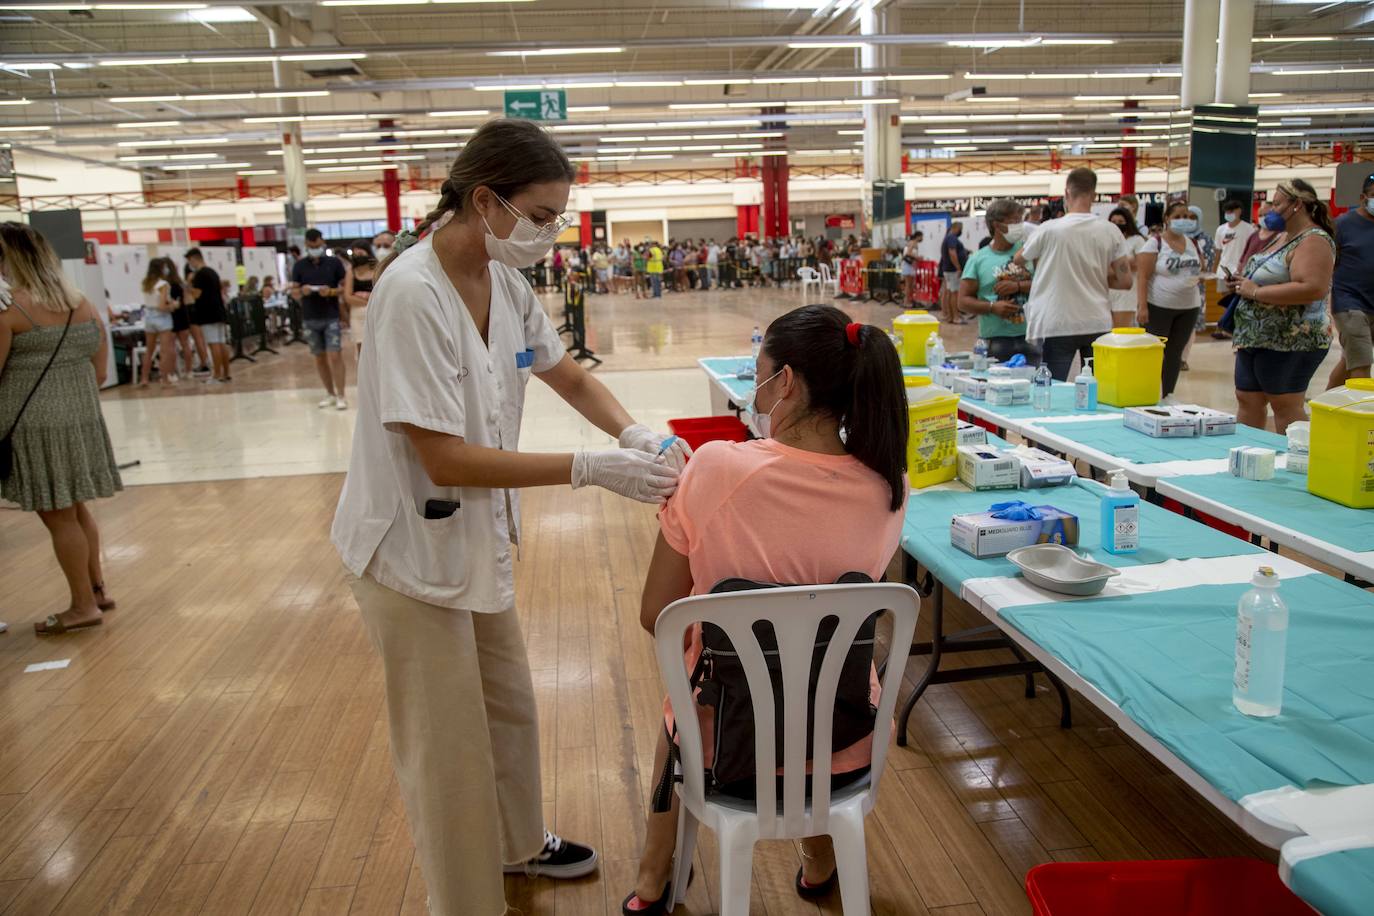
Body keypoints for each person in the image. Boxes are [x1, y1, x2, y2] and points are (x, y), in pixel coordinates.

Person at [331, 118, 690, 916]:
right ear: (485, 200)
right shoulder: (410, 295)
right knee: (448, 749)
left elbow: (566, 376)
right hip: (409, 553)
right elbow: (446, 459)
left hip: (472, 537)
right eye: (541, 216)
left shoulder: (507, 282)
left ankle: (517, 844)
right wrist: (589, 469)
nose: (550, 234)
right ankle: (467, 898)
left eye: (559, 218)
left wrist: (635, 432)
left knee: (509, 705)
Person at [623, 305, 908, 913]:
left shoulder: (719, 468)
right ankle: (821, 859)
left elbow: (656, 612)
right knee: (804, 672)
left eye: (759, 374)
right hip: (845, 737)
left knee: (690, 693)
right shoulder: (890, 485)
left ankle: (653, 881)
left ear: (785, 383)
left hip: (729, 746)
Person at [0, 223, 122, 635]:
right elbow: (101, 371)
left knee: (59, 517)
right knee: (77, 508)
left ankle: (81, 606)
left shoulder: (10, 311)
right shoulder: (81, 304)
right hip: (81, 421)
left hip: (35, 426)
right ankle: (97, 589)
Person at [1226, 179, 1336, 434]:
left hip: (1292, 339)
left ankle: (1297, 466)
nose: (1270, 211)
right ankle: (1246, 459)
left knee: (1285, 405)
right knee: (1247, 399)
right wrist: (1245, 284)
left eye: (1276, 204)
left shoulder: (1313, 240)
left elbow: (1312, 288)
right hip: (1257, 337)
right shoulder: (1283, 237)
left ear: (1297, 204)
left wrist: (1256, 291)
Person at [1016, 168, 1134, 380]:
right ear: (1094, 195)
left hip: (1058, 322)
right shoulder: (1110, 231)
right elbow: (1126, 281)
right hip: (1097, 322)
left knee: (1053, 388)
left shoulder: (1048, 229)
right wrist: (1095, 274)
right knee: (1097, 392)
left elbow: (1019, 259)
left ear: (1067, 193)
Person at [1137, 201, 1205, 401]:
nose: (1184, 220)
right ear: (1167, 219)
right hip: (1159, 306)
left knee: (1175, 353)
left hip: (1188, 306)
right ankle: (1148, 393)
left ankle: (1168, 394)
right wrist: (1142, 306)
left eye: (1187, 216)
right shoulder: (1154, 243)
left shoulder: (1192, 242)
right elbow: (1143, 276)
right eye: (1178, 216)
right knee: (1155, 353)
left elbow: (1200, 267)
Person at [958, 198, 1038, 362]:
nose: (1019, 226)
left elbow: (1045, 285)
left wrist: (1017, 286)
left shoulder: (1029, 252)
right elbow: (963, 301)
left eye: (1020, 220)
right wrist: (992, 307)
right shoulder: (978, 259)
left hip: (1031, 337)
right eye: (1014, 221)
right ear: (996, 224)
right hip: (995, 341)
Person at [290, 228, 349, 410]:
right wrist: (302, 291)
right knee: (319, 357)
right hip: (310, 317)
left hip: (331, 315)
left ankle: (341, 394)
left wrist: (330, 291)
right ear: (306, 245)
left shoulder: (334, 263)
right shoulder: (299, 266)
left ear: (322, 243)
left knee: (335, 354)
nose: (314, 248)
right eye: (310, 246)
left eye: (317, 245)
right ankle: (329, 393)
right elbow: (294, 292)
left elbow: (345, 287)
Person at [1328, 172, 1374, 387]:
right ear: (1362, 197)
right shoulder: (1342, 225)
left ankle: (1326, 404)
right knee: (1362, 364)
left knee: (1351, 359)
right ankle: (1363, 418)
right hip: (1350, 303)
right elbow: (1328, 262)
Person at [184, 248, 231, 384]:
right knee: (221, 342)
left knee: (213, 343)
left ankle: (217, 375)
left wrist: (188, 287)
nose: (189, 265)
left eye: (189, 261)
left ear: (194, 259)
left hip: (207, 313)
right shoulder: (213, 272)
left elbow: (197, 294)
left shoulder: (200, 275)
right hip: (218, 311)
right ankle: (226, 373)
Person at [138, 257, 179, 388]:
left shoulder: (146, 283)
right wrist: (173, 306)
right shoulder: (163, 285)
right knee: (164, 351)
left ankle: (144, 378)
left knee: (149, 350)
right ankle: (164, 378)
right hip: (162, 318)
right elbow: (162, 306)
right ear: (161, 269)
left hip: (149, 318)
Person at [1107, 206, 1146, 328]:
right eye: (1113, 222)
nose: (1117, 225)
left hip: (1126, 294)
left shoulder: (1137, 240)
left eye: (1120, 222)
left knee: (1120, 331)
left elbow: (1140, 263)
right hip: (1108, 292)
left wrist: (1116, 265)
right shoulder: (1107, 240)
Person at [343, 249, 376, 356]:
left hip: (375, 312)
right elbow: (348, 297)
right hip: (358, 314)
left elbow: (381, 294)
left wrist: (362, 296)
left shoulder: (377, 268)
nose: (359, 255)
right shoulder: (351, 271)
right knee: (361, 350)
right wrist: (368, 298)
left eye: (361, 252)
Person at [939, 222, 966, 324]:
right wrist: (958, 267)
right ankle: (955, 317)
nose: (961, 231)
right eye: (960, 229)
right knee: (954, 293)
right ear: (956, 228)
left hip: (948, 269)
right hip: (952, 270)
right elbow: (952, 252)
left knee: (950, 292)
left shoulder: (948, 237)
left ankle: (950, 316)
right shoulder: (952, 237)